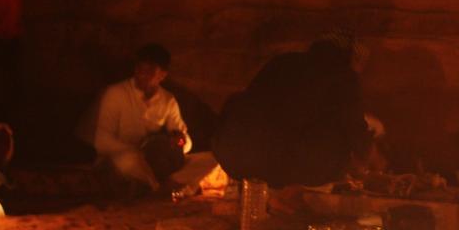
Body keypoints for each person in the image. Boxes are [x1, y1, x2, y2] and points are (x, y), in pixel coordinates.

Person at [213, 31, 372, 189]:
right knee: (341, 133)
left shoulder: (281, 61)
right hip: (293, 166)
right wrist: (366, 158)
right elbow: (354, 124)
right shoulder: (344, 76)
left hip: (242, 159)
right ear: (353, 58)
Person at [91, 44, 192, 194]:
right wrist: (135, 151)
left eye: (149, 71)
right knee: (129, 160)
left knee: (205, 160)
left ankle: (160, 183)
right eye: (139, 69)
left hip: (153, 161)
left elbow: (185, 141)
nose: (142, 75)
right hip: (120, 158)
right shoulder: (116, 94)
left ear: (162, 75)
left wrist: (179, 141)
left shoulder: (168, 100)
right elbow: (101, 140)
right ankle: (158, 189)